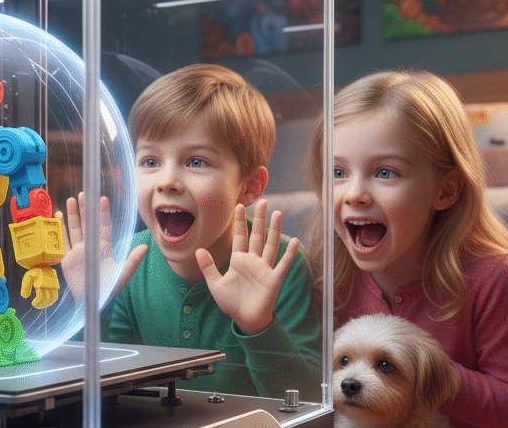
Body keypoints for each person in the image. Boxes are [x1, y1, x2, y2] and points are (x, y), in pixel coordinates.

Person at [304, 70, 508, 428]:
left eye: (385, 172)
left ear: (445, 190)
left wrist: (426, 373)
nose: (354, 193)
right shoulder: (328, 272)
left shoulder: (489, 275)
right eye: (338, 172)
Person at [60, 64, 322, 400]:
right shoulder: (122, 265)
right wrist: (91, 308)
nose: (167, 181)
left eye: (196, 162)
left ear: (250, 186)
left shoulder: (281, 266)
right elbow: (99, 395)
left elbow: (308, 399)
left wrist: (258, 326)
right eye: (150, 162)